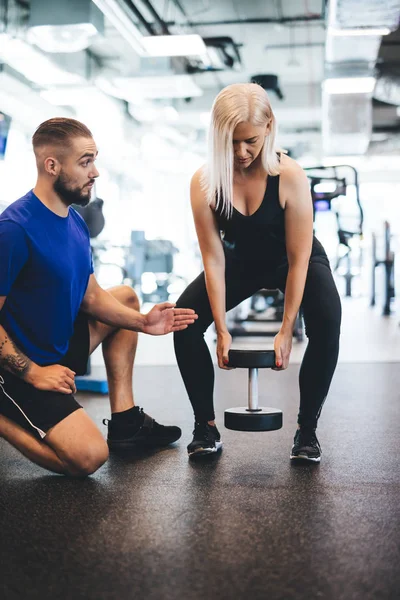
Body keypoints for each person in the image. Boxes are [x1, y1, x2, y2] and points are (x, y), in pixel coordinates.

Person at [0, 117, 197, 477]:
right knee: (90, 457)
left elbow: (91, 296)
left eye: (94, 160)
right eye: (86, 162)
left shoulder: (74, 222)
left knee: (125, 298)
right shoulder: (14, 229)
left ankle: (125, 423)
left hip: (56, 348)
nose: (96, 172)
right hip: (18, 366)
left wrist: (142, 323)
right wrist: (32, 374)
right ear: (52, 166)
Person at [174, 83, 342, 462]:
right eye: (231, 142)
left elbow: (298, 259)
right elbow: (214, 260)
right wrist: (221, 327)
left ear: (269, 127)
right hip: (239, 263)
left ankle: (307, 431)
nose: (241, 152)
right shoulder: (205, 183)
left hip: (292, 259)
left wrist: (286, 330)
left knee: (328, 321)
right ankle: (205, 427)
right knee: (184, 322)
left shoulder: (290, 176)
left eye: (249, 140)